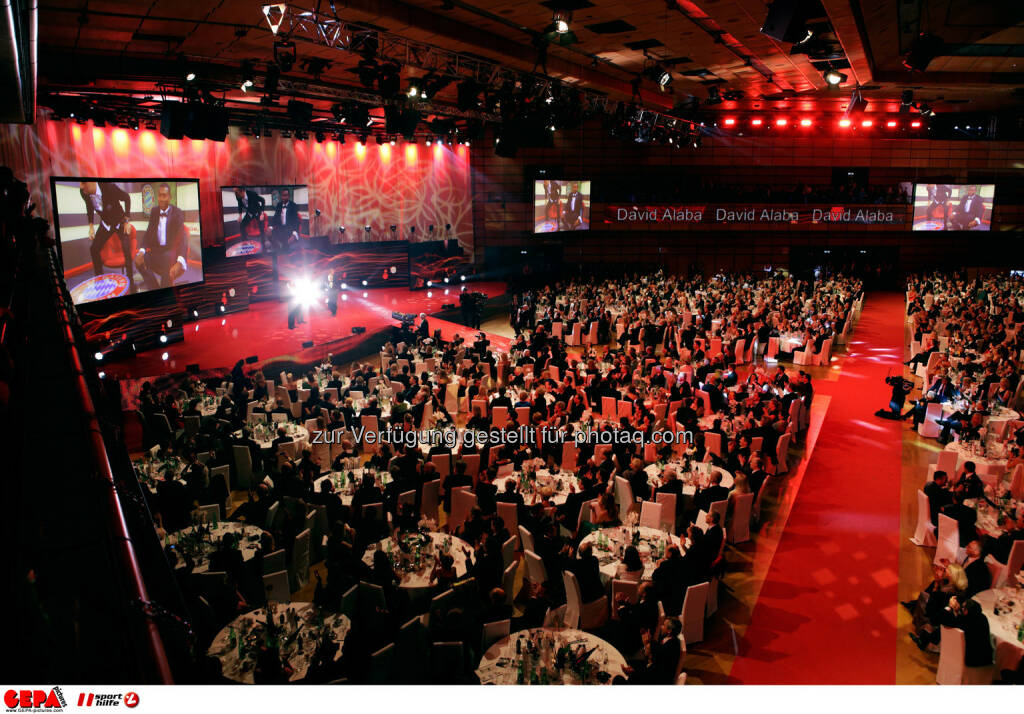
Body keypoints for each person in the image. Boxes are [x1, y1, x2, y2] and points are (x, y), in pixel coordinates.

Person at [81, 181, 135, 292]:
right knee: (94, 248)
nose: (81, 186)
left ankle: (131, 280)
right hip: (106, 224)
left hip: (119, 221)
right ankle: (99, 280)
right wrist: (91, 226)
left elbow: (127, 198)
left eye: (83, 183)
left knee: (126, 247)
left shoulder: (109, 187)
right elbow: (89, 207)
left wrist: (126, 220)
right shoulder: (84, 192)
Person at [135, 183, 188, 291]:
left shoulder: (177, 213)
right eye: (159, 195)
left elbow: (182, 238)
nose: (161, 199)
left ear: (169, 197)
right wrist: (141, 251)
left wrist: (180, 260)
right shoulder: (154, 212)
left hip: (171, 252)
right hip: (157, 252)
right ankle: (155, 288)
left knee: (167, 262)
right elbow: (148, 233)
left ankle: (164, 292)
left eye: (164, 195)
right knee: (138, 261)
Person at [271, 188, 301, 252]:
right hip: (280, 228)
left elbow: (296, 221)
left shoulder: (293, 205)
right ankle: (279, 249)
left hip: (289, 228)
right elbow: (275, 217)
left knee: (285, 245)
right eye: (282, 195)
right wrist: (270, 227)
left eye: (285, 195)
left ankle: (284, 253)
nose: (283, 197)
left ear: (288, 196)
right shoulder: (279, 205)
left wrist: (294, 233)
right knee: (271, 237)